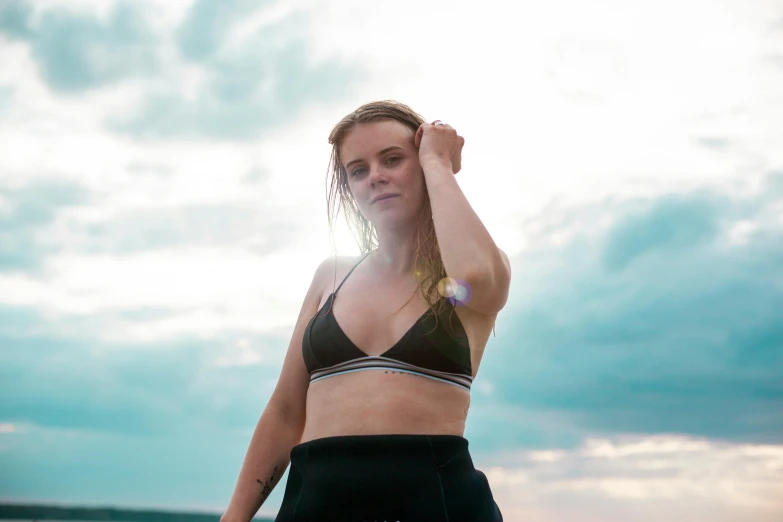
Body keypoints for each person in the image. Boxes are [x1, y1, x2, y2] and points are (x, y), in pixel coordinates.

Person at [221, 100, 512, 522]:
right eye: (358, 169)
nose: (375, 176)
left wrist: (438, 162)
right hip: (316, 507)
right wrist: (234, 517)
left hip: (439, 507)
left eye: (393, 159)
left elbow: (473, 276)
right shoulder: (331, 278)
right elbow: (286, 411)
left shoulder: (479, 264)